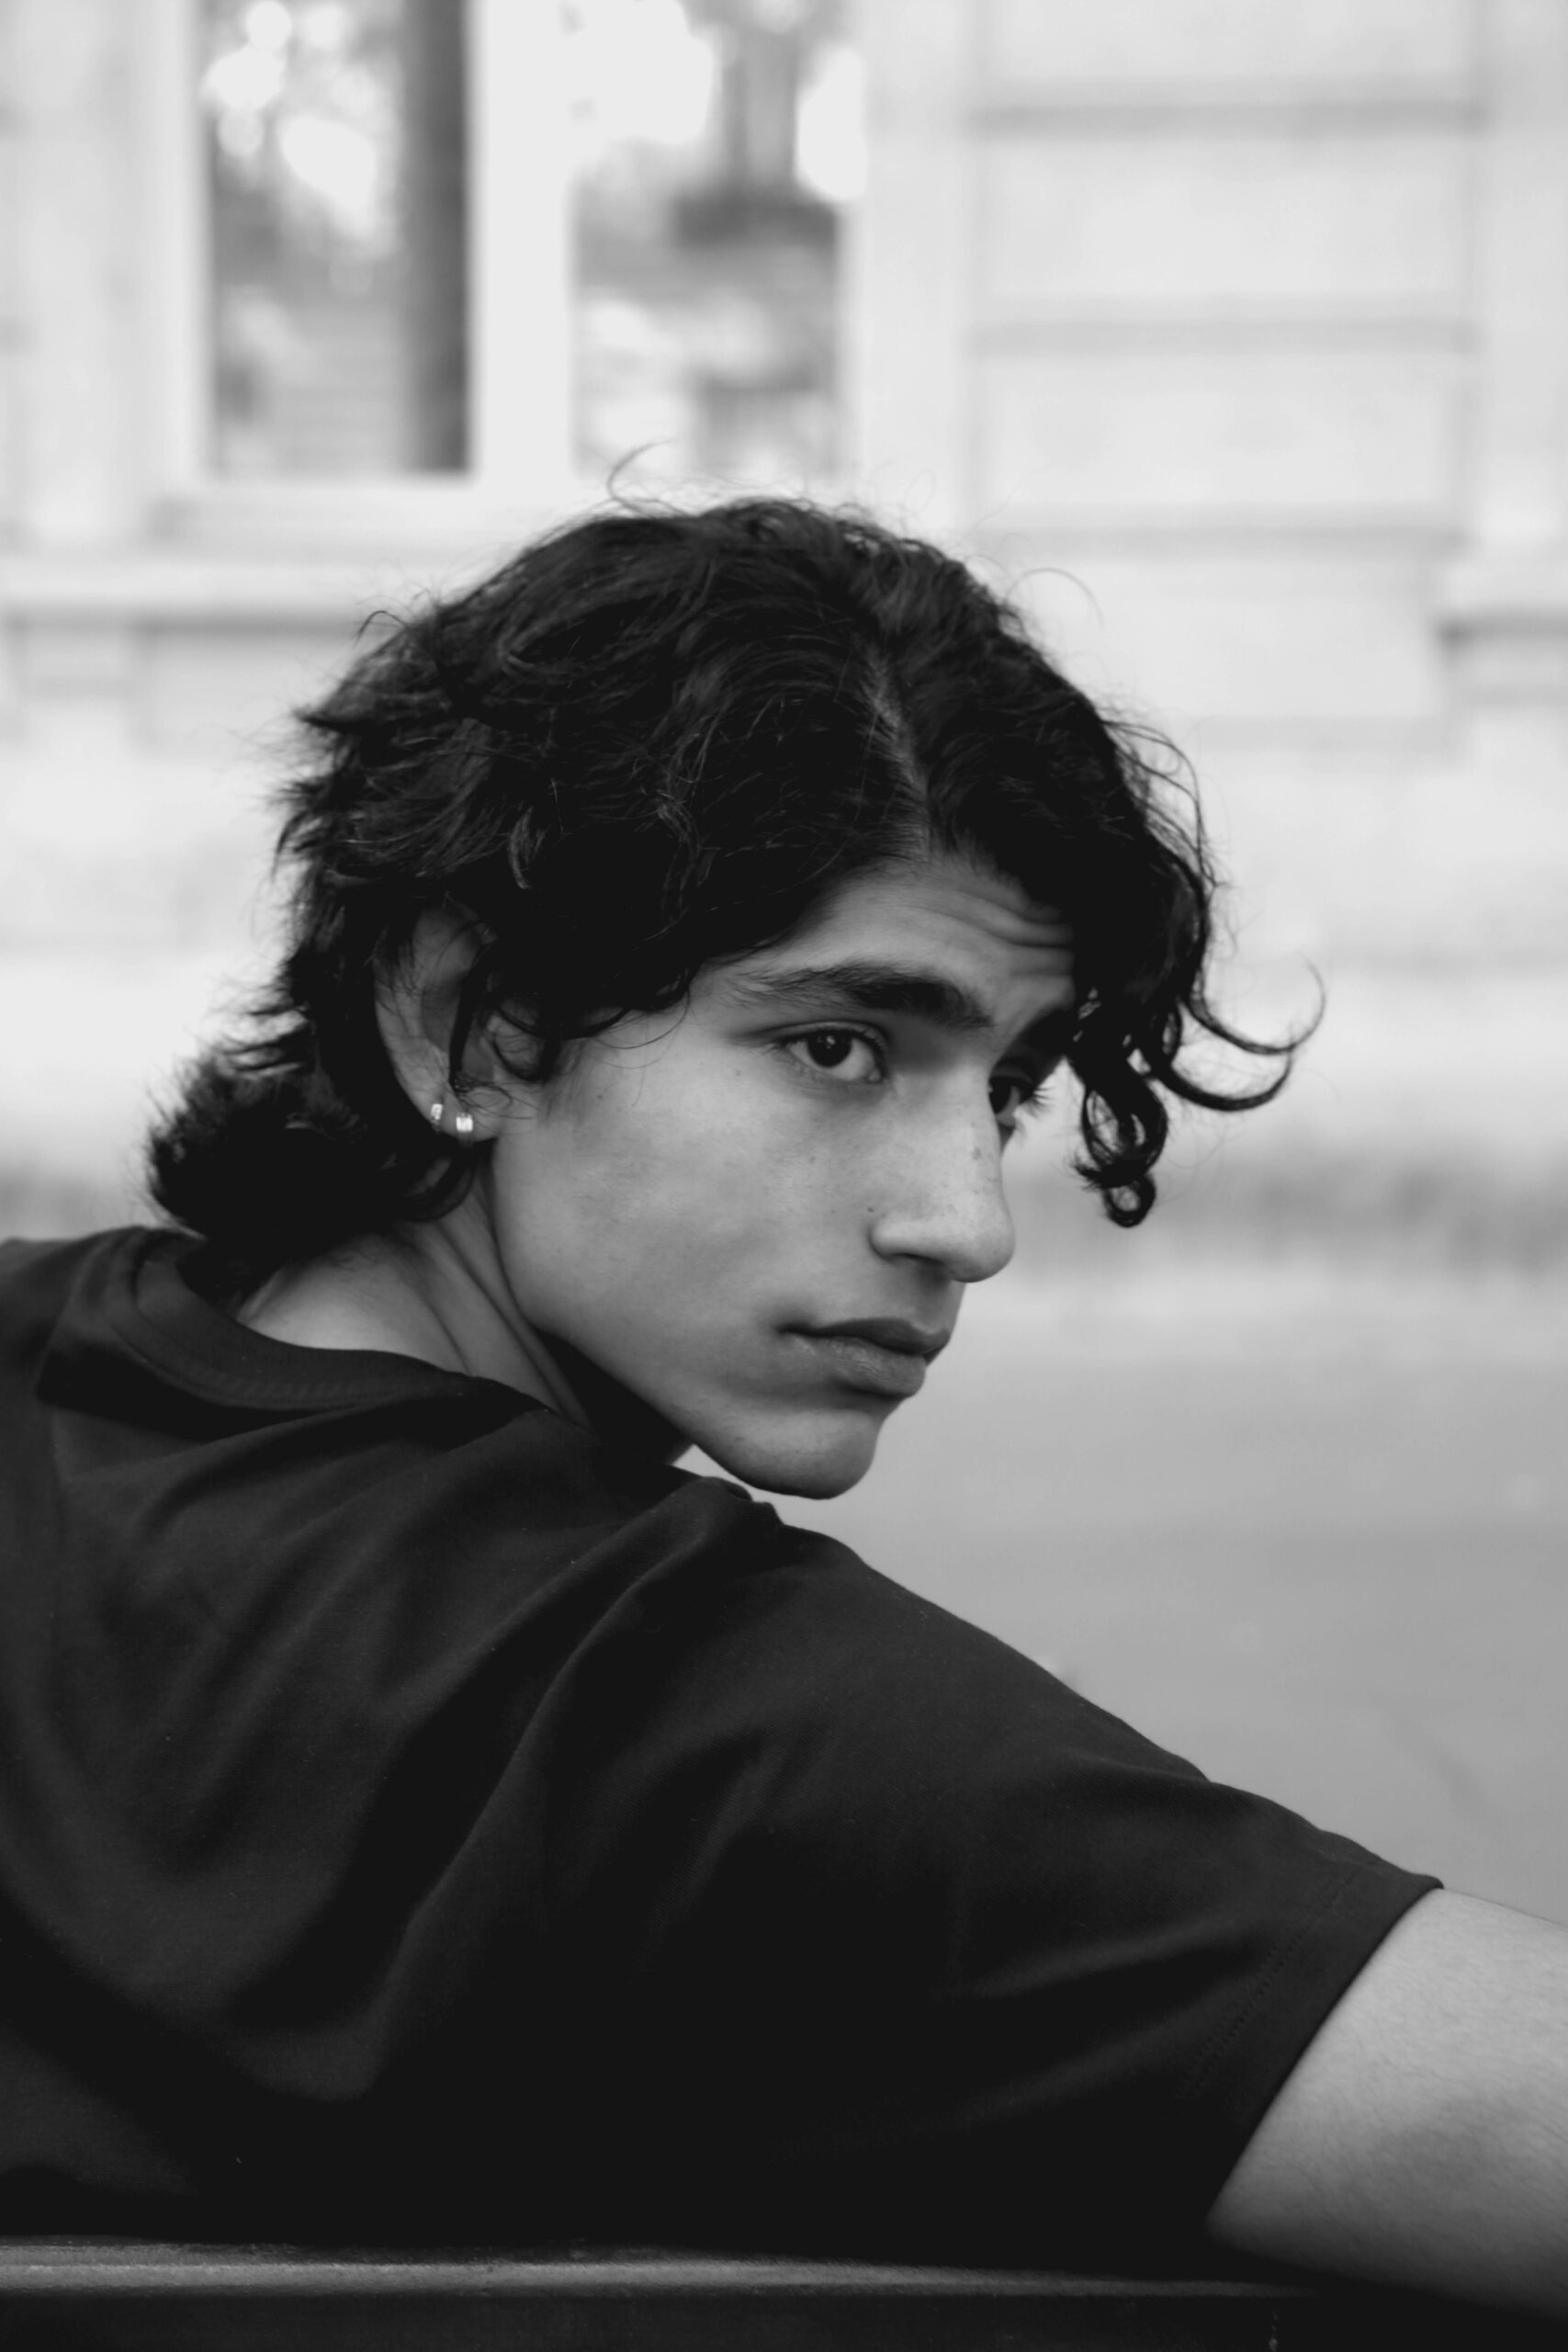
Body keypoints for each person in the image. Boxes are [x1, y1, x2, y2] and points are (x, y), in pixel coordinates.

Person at [0, 500, 1563, 2314]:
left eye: (1007, 1082)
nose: (967, 1221)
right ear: (465, 1020)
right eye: (838, 1046)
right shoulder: (685, 1722)